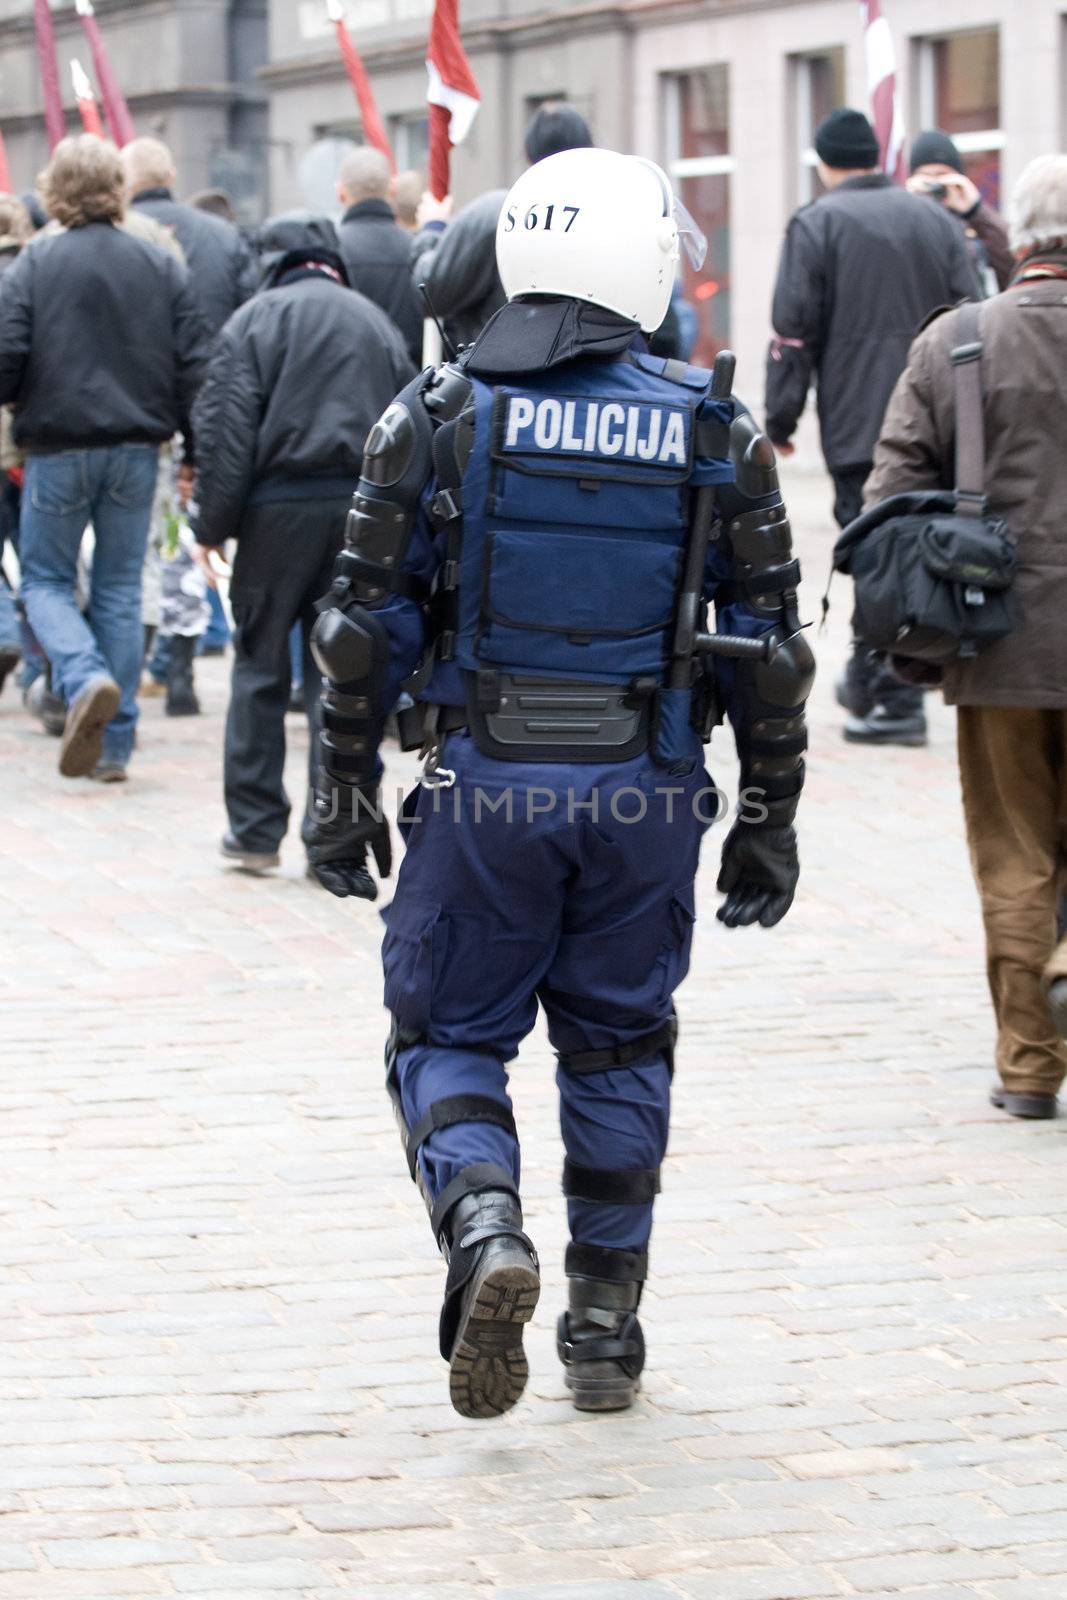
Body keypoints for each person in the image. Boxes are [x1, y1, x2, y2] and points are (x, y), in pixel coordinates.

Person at [306, 147, 813, 1419]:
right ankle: (601, 1324)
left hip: (486, 790)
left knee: (446, 1034)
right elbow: (775, 653)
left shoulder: (433, 414)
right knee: (620, 1043)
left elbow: (360, 634)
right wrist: (767, 819)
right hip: (644, 792)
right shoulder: (712, 423)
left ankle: (485, 1232)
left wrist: (334, 791)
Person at [863, 154, 1067, 1122]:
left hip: (999, 647)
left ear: (1017, 236)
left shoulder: (956, 343)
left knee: (1013, 853)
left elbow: (884, 501)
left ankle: (1028, 1066)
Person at [189, 214, 414, 871]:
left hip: (273, 512)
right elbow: (408, 426)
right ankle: (332, 835)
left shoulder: (253, 321)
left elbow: (227, 435)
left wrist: (210, 526)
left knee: (260, 666)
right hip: (360, 513)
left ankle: (256, 831)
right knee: (342, 673)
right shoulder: (372, 321)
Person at [765, 107, 978, 748]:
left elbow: (792, 332)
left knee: (877, 547)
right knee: (907, 545)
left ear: (825, 162)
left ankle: (894, 696)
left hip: (858, 420)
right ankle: (873, 678)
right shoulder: (936, 220)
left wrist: (780, 417)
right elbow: (973, 314)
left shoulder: (816, 221)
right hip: (938, 412)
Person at [0, 136, 209, 782]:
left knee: (44, 582)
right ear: (118, 188)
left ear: (55, 190)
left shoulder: (33, 265)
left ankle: (84, 676)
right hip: (137, 447)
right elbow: (193, 367)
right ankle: (115, 744)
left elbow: (7, 357)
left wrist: (19, 401)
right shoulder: (159, 263)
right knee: (120, 588)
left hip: (59, 445)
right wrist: (192, 450)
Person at [410, 102, 593, 350]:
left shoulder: (497, 214)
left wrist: (431, 230)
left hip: (501, 375)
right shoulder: (606, 217)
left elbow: (431, 291)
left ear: (528, 152)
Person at [122, 138, 257, 339]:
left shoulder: (114, 232)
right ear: (171, 176)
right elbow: (250, 309)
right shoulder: (225, 233)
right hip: (212, 359)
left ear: (123, 181)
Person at [336, 148, 423, 366]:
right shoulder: (419, 251)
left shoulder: (330, 254)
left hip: (349, 386)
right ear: (392, 189)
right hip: (411, 389)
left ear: (341, 193)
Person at [907, 130, 1013, 295]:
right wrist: (907, 202)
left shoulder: (975, 224)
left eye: (943, 176)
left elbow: (1013, 263)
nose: (935, 185)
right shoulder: (904, 222)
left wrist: (976, 211)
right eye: (926, 178)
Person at [0, 195, 33, 696]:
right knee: (44, 565)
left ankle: (6, 632)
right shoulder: (34, 270)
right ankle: (48, 671)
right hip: (34, 442)